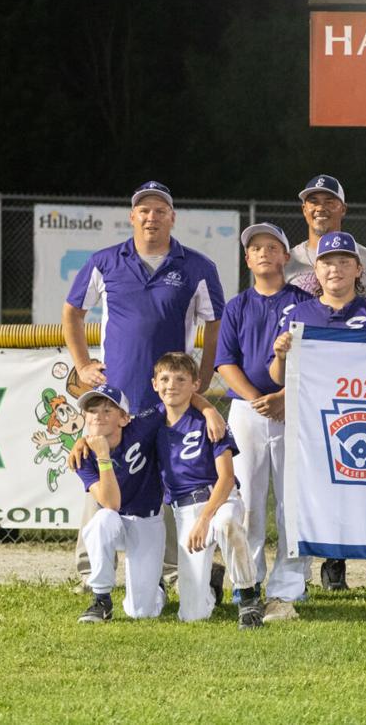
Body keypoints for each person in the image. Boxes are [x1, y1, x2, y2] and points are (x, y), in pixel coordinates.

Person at [62, 180, 227, 589]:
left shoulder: (197, 266)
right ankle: (91, 572)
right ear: (132, 216)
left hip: (169, 400)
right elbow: (72, 312)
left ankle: (173, 570)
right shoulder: (106, 261)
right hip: (115, 398)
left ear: (173, 218)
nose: (151, 217)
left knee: (171, 479)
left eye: (160, 210)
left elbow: (216, 323)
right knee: (98, 470)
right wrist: (82, 365)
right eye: (144, 210)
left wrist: (203, 379)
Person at [270, 231, 366, 624]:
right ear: (316, 270)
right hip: (310, 431)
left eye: (343, 261)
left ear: (358, 269)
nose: (335, 268)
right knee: (297, 509)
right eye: (327, 262)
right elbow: (277, 377)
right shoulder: (298, 314)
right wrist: (279, 354)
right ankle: (283, 595)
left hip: (365, 425)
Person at [214, 222, 315, 624]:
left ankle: (289, 587)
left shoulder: (306, 302)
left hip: (294, 407)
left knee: (293, 502)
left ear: (285, 257)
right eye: (255, 248)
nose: (262, 253)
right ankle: (249, 582)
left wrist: (284, 400)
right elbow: (225, 362)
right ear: (247, 259)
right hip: (247, 410)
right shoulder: (237, 305)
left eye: (271, 247)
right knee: (249, 501)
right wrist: (259, 401)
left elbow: (316, 361)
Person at [151, 351, 263, 629]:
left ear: (195, 384)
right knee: (192, 614)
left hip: (218, 498)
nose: (171, 385)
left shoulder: (210, 423)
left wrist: (205, 519)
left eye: (180, 379)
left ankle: (248, 599)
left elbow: (226, 478)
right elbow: (116, 427)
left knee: (226, 524)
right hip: (184, 509)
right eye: (164, 379)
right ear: (154, 384)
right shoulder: (151, 420)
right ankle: (212, 584)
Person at [74, 384, 165, 623]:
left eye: (107, 410)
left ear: (124, 418)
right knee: (102, 520)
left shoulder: (141, 427)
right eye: (92, 411)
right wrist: (102, 456)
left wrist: (208, 410)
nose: (98, 416)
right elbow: (111, 503)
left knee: (141, 612)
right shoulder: (82, 457)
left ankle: (157, 585)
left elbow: (175, 400)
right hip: (116, 519)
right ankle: (101, 600)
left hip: (147, 520)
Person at [284, 174, 366, 298]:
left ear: (343, 209)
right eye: (313, 201)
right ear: (304, 209)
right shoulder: (289, 261)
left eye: (329, 202)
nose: (320, 208)